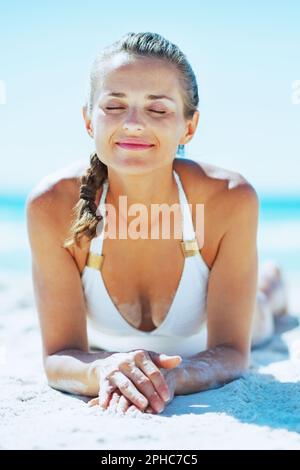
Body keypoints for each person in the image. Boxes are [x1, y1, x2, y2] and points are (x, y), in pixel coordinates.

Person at [26, 32, 288, 416]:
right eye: (114, 106)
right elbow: (58, 356)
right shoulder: (51, 205)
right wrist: (103, 368)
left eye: (159, 110)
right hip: (110, 342)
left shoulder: (228, 198)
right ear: (88, 120)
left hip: (219, 329)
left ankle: (272, 283)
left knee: (261, 310)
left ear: (189, 127)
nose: (132, 124)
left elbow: (232, 351)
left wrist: (178, 376)